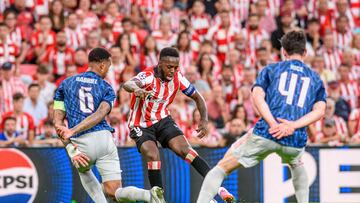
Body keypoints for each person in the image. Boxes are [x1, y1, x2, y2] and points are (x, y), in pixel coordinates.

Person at [197, 30, 327, 203]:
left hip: (266, 133)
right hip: (294, 138)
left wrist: (273, 124)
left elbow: (257, 97)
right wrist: (292, 126)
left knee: (221, 167)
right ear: (305, 52)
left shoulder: (271, 69)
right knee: (296, 162)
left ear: (283, 52)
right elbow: (320, 111)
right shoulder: (316, 79)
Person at [122, 47, 234, 203]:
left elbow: (198, 97)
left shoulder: (178, 78)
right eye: (169, 67)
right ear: (160, 63)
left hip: (163, 119)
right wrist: (137, 89)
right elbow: (128, 84)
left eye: (175, 67)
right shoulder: (148, 76)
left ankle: (219, 189)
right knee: (153, 154)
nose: (172, 71)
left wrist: (204, 119)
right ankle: (158, 198)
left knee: (186, 150)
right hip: (140, 124)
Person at [53, 47, 159, 203]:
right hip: (104, 140)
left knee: (83, 169)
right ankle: (148, 195)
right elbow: (101, 113)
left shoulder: (65, 84)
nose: (108, 71)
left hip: (81, 142)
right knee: (114, 192)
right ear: (102, 65)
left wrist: (71, 146)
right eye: (108, 67)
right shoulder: (107, 87)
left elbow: (58, 123)